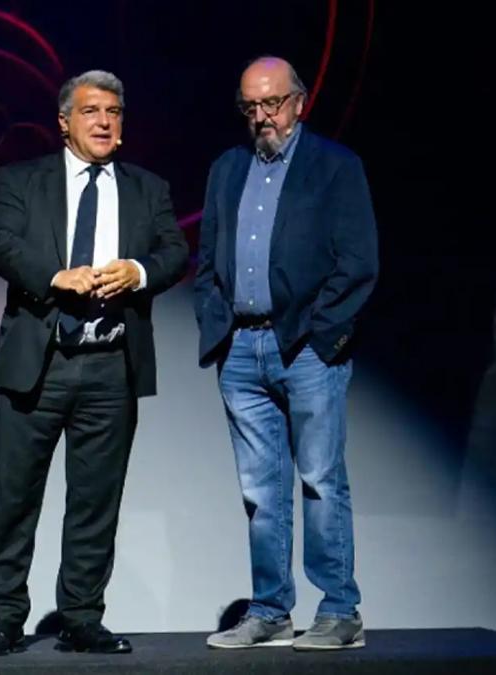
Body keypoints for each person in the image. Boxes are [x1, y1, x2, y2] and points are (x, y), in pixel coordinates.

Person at [0, 69, 189, 657]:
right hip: (38, 362)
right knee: (13, 497)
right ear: (64, 120)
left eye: (114, 112)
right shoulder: (23, 179)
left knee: (96, 500)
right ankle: (5, 618)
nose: (104, 121)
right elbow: (0, 243)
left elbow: (175, 251)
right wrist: (54, 277)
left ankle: (82, 616)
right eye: (91, 111)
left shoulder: (148, 188)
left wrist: (138, 272)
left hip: (110, 366)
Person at [194, 56, 378, 651]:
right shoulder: (227, 167)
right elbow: (207, 262)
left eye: (272, 103)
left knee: (321, 479)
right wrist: (217, 325)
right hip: (241, 350)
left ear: (299, 102)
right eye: (250, 106)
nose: (261, 116)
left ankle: (340, 611)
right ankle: (271, 609)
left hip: (305, 347)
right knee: (259, 489)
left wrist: (324, 338)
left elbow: (358, 262)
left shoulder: (334, 166)